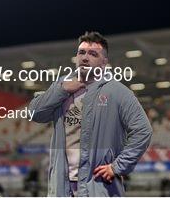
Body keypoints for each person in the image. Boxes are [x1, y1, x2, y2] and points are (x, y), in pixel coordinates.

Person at [29, 31, 153, 196]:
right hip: (61, 188)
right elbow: (35, 113)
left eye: (93, 54)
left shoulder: (117, 91)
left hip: (98, 188)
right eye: (82, 52)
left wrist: (117, 166)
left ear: (104, 62)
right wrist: (62, 90)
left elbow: (143, 131)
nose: (85, 58)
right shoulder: (62, 85)